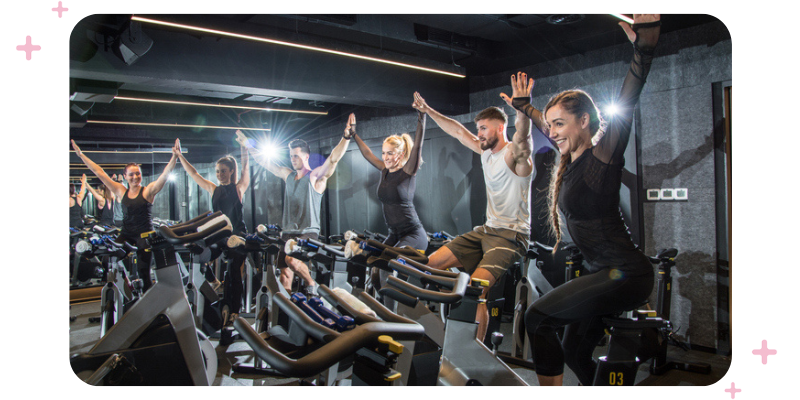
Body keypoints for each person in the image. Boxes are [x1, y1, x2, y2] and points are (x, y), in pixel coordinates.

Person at [510, 15, 661, 386]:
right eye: (552, 125)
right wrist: (524, 105)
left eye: (560, 124)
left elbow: (629, 96)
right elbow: (544, 124)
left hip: (625, 274)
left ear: (585, 122)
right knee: (575, 352)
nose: (553, 132)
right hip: (602, 272)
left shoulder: (602, 158)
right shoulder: (568, 163)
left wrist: (644, 48)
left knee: (537, 319)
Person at [411, 74, 534, 342]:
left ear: (501, 128)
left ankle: (470, 355)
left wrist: (523, 109)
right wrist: (428, 110)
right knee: (427, 267)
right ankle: (442, 338)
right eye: (478, 128)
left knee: (474, 290)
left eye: (483, 128)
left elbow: (523, 137)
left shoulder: (516, 156)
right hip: (486, 230)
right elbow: (457, 130)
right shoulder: (486, 152)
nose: (478, 134)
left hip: (511, 237)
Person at [244, 131, 350, 296]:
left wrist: (346, 137)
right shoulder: (287, 175)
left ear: (306, 156)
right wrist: (247, 143)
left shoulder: (315, 177)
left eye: (296, 156)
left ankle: (311, 283)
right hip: (288, 233)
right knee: (285, 275)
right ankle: (286, 313)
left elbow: (334, 158)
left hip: (308, 232)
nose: (293, 159)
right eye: (291, 156)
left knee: (291, 260)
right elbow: (262, 161)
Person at [71, 139, 179, 292]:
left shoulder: (147, 191)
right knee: (108, 260)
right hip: (127, 234)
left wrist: (174, 157)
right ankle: (128, 288)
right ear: (125, 176)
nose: (135, 177)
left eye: (138, 174)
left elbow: (165, 175)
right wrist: (81, 155)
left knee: (144, 274)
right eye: (131, 174)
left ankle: (148, 307)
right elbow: (99, 172)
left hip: (144, 236)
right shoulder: (121, 191)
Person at [347, 112, 428, 307]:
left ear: (400, 154)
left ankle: (392, 319)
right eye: (383, 153)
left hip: (413, 234)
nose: (385, 157)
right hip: (395, 234)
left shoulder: (408, 172)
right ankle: (384, 310)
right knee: (375, 264)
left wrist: (421, 117)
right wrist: (354, 134)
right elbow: (367, 154)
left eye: (390, 153)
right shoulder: (384, 171)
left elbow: (417, 145)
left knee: (388, 267)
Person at [174, 133, 250, 318]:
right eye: (217, 171)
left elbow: (246, 167)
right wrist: (179, 156)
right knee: (198, 252)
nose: (219, 174)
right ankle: (214, 282)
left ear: (231, 171)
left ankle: (234, 311)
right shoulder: (213, 189)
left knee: (233, 274)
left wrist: (244, 147)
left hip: (237, 236)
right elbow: (193, 173)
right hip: (219, 235)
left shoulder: (239, 188)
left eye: (223, 171)